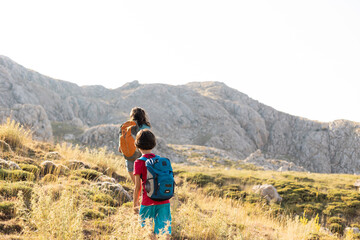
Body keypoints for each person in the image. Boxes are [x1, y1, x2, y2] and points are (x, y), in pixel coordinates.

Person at [133, 129, 171, 238]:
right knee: (164, 231)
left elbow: (137, 186)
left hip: (147, 201)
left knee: (146, 233)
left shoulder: (139, 162)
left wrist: (135, 203)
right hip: (164, 200)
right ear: (153, 144)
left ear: (137, 144)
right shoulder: (160, 161)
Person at [119, 107, 151, 184]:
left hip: (129, 155)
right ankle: (144, 193)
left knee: (136, 184)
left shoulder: (126, 125)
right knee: (144, 182)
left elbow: (120, 144)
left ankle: (138, 193)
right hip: (141, 155)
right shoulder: (145, 127)